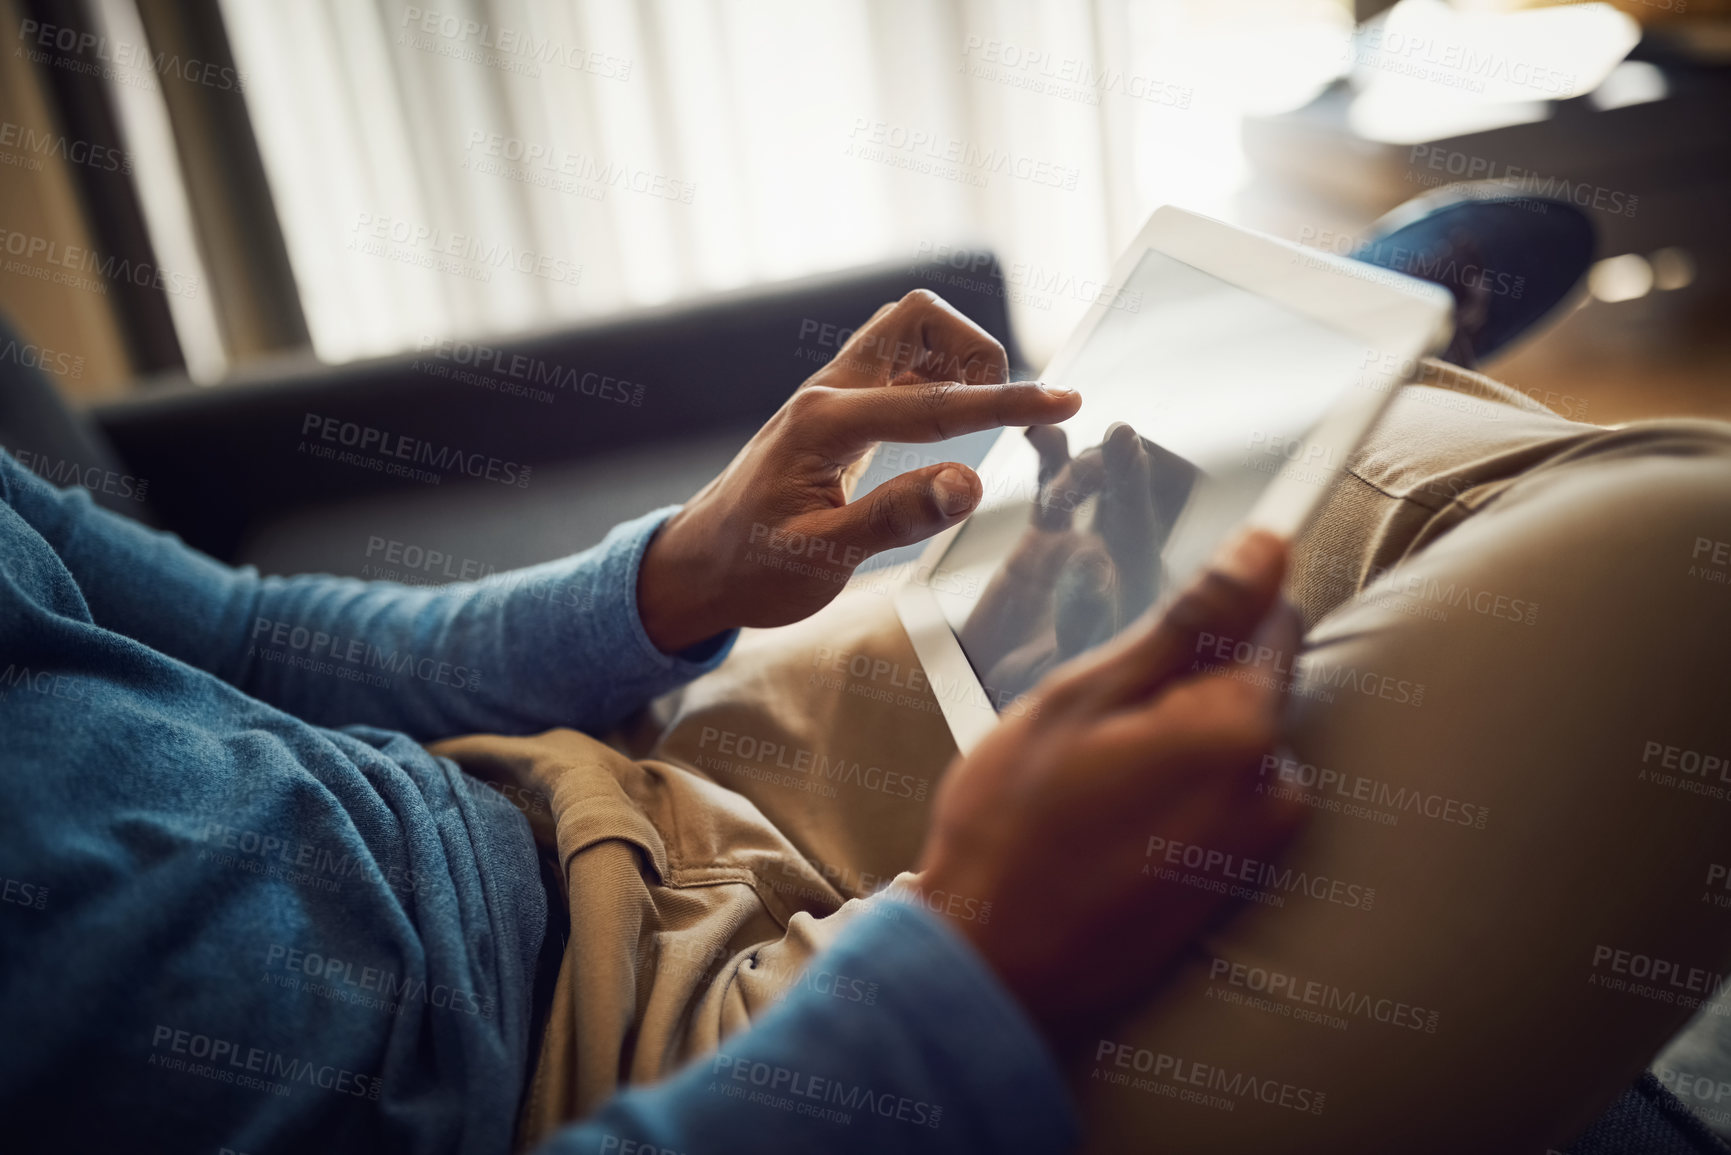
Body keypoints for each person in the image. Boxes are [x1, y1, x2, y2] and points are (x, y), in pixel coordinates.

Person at [3, 191, 1727, 1155]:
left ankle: (1290, 389)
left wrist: (669, 576)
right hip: (678, 1066)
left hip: (594, 795)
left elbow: (235, 641)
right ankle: (1318, 393)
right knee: (1685, 548)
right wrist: (974, 949)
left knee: (1113, 529)